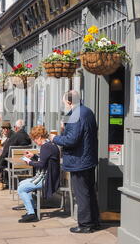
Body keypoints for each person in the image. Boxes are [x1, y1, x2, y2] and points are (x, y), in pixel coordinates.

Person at [51, 90, 101, 233]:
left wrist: (55, 139)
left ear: (69, 102)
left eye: (64, 102)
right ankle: (94, 221)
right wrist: (65, 125)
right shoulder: (87, 111)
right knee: (90, 191)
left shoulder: (76, 114)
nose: (64, 105)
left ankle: (85, 225)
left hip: (79, 160)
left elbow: (71, 140)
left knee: (82, 193)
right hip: (88, 158)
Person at [16, 125, 60, 223]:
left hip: (46, 179)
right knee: (21, 184)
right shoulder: (49, 144)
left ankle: (32, 214)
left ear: (39, 137)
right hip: (48, 176)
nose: (35, 141)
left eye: (35, 139)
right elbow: (44, 160)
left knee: (21, 189)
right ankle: (33, 210)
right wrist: (33, 155)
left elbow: (41, 164)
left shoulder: (45, 147)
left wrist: (29, 162)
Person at [0, 119, 32, 190]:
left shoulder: (15, 136)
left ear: (16, 128)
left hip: (14, 163)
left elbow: (6, 150)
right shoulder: (27, 136)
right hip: (26, 163)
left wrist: (0, 162)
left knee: (0, 158)